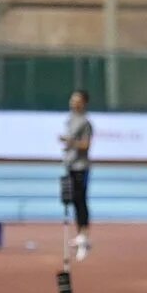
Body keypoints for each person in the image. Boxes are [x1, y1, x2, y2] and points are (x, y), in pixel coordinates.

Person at [59, 90, 93, 262]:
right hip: (70, 165)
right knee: (72, 200)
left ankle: (84, 235)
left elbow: (86, 145)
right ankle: (79, 233)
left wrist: (70, 142)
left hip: (81, 167)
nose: (73, 102)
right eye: (72, 99)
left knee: (81, 201)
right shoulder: (70, 119)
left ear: (84, 102)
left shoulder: (85, 123)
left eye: (77, 100)